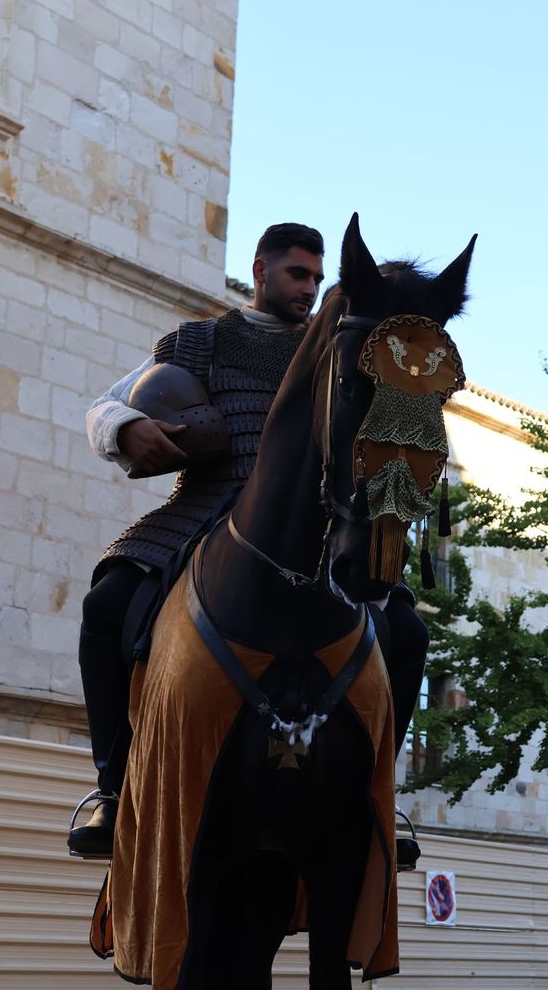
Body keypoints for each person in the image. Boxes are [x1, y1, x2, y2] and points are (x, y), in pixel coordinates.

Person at [69, 224, 432, 864]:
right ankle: (114, 786)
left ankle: (380, 792)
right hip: (205, 508)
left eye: (317, 277)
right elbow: (106, 404)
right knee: (106, 606)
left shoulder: (338, 343)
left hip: (317, 525)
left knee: (407, 630)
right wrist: (125, 428)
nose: (309, 288)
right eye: (297, 274)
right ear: (261, 270)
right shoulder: (200, 341)